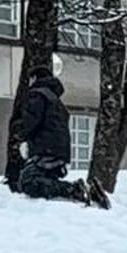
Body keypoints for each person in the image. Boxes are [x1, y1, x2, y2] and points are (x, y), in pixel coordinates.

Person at [14, 71, 108, 208]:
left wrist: (19, 133)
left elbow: (31, 120)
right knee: (46, 180)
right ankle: (85, 193)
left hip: (45, 149)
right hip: (59, 151)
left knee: (28, 182)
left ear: (35, 78)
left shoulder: (38, 94)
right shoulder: (55, 100)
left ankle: (75, 190)